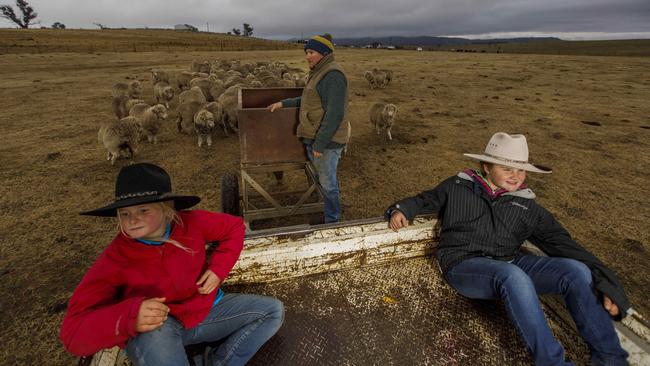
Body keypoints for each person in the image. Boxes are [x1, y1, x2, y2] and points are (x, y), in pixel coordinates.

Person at [385, 132, 630, 366]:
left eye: (521, 170)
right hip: (462, 263)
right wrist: (402, 209)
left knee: (575, 270)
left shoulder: (526, 205)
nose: (515, 176)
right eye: (507, 169)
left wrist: (606, 282)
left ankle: (611, 359)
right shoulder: (458, 186)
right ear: (486, 166)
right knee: (513, 276)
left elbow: (564, 245)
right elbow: (425, 199)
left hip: (508, 262)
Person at [60, 163, 284, 366]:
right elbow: (72, 333)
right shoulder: (115, 258)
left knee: (273, 312)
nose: (132, 219)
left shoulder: (191, 223)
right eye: (124, 213)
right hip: (158, 328)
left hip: (205, 311)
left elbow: (234, 227)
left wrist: (218, 269)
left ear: (167, 208)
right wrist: (129, 317)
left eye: (143, 210)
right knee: (154, 335)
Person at [268, 33, 351, 223]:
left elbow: (334, 114)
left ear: (323, 53)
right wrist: (284, 103)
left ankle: (332, 221)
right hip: (316, 137)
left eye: (311, 52)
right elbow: (308, 99)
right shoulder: (318, 72)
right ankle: (326, 209)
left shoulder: (333, 76)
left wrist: (320, 144)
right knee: (324, 179)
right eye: (306, 52)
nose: (307, 56)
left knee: (328, 183)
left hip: (327, 142)